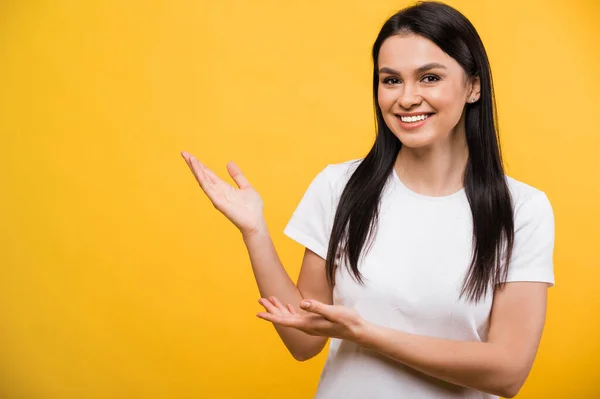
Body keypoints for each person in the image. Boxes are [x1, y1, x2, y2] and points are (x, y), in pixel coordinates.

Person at [181, 1, 555, 398]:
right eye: (391, 80)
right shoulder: (339, 186)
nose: (406, 98)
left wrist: (367, 334)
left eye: (429, 78)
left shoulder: (522, 210)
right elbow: (303, 342)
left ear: (473, 85)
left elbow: (508, 371)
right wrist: (255, 232)